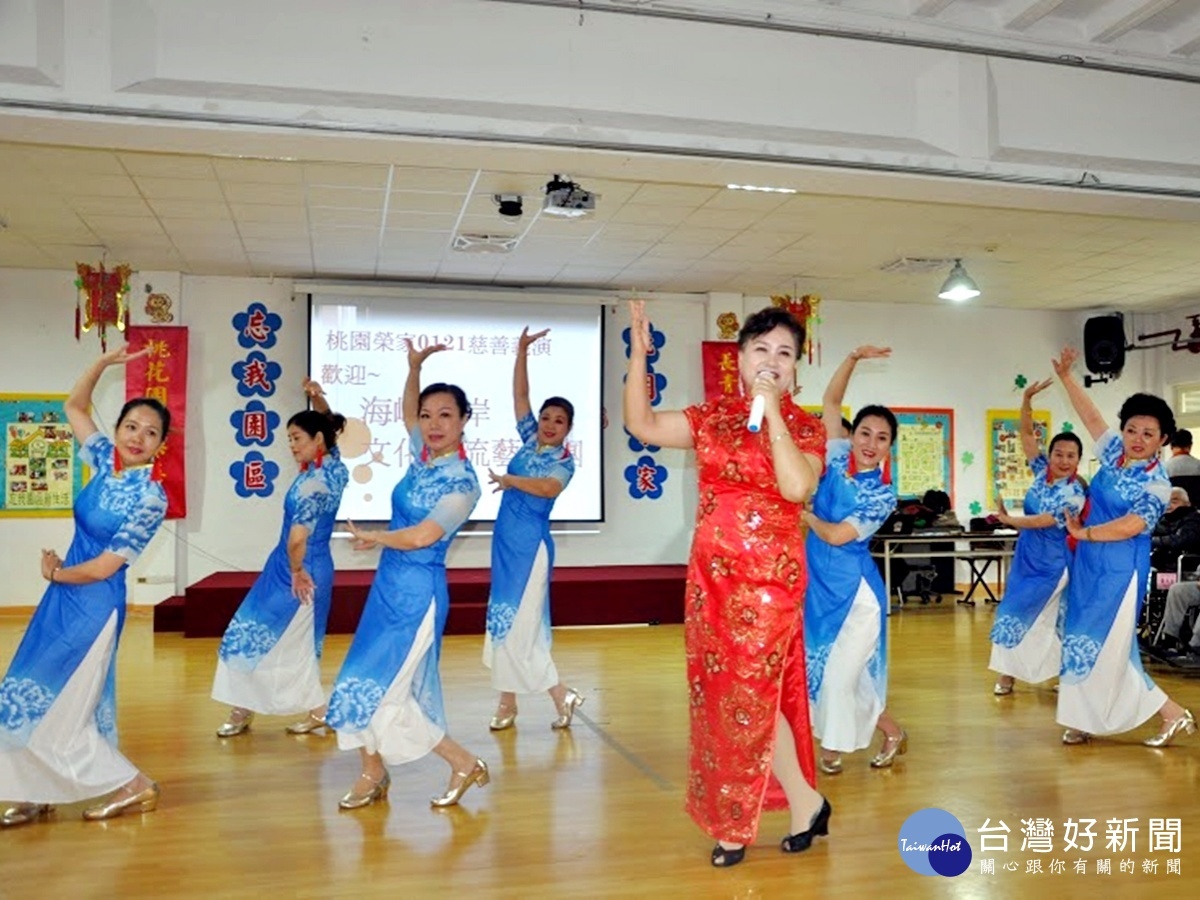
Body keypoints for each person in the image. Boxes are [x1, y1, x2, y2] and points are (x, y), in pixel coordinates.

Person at [624, 300, 829, 868]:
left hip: (769, 587)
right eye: (761, 350)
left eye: (784, 353)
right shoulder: (710, 419)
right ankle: (808, 803)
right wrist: (640, 356)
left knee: (747, 697)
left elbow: (795, 489)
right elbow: (641, 424)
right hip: (712, 581)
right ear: (738, 359)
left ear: (795, 368)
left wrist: (775, 414)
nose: (772, 360)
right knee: (726, 699)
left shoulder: (809, 428)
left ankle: (734, 825)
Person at [0, 346, 169, 826]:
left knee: (69, 702)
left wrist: (56, 573)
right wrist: (101, 365)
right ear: (116, 429)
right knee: (25, 689)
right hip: (63, 596)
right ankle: (36, 787)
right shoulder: (102, 459)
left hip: (93, 603)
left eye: (151, 433)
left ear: (161, 446)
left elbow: (104, 567)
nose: (139, 437)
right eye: (131, 426)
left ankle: (134, 786)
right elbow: (74, 406)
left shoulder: (151, 496)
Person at [325, 340, 488, 810]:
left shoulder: (462, 482)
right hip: (388, 590)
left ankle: (461, 761)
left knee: (388, 691)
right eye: (427, 415)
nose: (432, 424)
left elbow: (422, 536)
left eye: (445, 416)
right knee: (358, 681)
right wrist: (413, 367)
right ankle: (373, 773)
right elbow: (404, 410)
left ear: (463, 421)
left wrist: (377, 538)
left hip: (418, 594)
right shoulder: (423, 457)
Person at [1052, 347, 1194, 747]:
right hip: (1090, 565)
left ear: (1163, 440)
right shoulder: (1114, 456)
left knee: (1110, 648)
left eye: (1148, 434)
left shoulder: (1157, 483)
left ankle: (1171, 713)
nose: (1137, 439)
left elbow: (1133, 525)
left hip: (1120, 570)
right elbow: (1092, 418)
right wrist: (1066, 377)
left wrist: (1085, 534)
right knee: (1079, 636)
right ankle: (1082, 718)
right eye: (1132, 429)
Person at [211, 379, 349, 738]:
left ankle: (255, 709)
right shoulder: (333, 469)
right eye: (289, 438)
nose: (291, 445)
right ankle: (298, 710)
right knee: (281, 641)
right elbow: (328, 428)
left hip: (298, 571)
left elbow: (297, 539)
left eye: (297, 438)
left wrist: (297, 570)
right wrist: (318, 398)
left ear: (317, 441)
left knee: (260, 637)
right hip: (297, 567)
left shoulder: (312, 484)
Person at [803, 346, 904, 776]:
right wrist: (852, 359)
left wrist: (803, 511)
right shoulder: (838, 454)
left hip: (857, 597)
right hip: (819, 585)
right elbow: (829, 403)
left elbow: (837, 534)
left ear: (889, 447)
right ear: (854, 433)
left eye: (882, 438)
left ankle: (835, 747)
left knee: (840, 677)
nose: (871, 443)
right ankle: (892, 730)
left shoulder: (882, 494)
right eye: (865, 432)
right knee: (837, 671)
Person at [483, 327, 582, 732]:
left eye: (558, 421)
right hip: (505, 545)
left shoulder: (565, 462)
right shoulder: (528, 442)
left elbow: (547, 488)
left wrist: (510, 480)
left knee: (522, 627)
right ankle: (511, 702)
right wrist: (521, 351)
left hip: (531, 552)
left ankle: (557, 693)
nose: (549, 424)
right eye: (545, 417)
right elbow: (519, 396)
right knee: (504, 622)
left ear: (568, 428)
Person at [988, 379, 1086, 697]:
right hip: (1026, 559)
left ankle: (1064, 673)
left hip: (1055, 566)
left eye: (1071, 456)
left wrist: (1009, 520)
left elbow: (1044, 521)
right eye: (1059, 453)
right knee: (1011, 611)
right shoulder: (1042, 471)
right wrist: (1027, 398)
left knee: (1042, 615)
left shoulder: (1075, 493)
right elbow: (1027, 435)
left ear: (1077, 461)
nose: (1063, 460)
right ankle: (1007, 675)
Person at [1149, 487, 1200, 571]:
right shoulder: (1160, 519)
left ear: (1187, 503)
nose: (1168, 505)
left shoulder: (1194, 519)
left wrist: (1152, 541)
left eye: (1174, 502)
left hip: (1187, 568)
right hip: (1160, 566)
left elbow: (1180, 540)